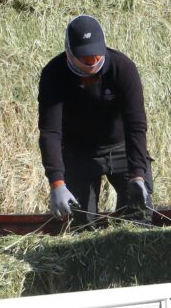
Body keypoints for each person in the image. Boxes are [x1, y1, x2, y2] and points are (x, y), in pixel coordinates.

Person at [37, 15, 153, 227]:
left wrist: (137, 174)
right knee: (81, 224)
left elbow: (136, 125)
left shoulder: (123, 68)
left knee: (138, 218)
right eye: (85, 59)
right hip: (80, 152)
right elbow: (50, 132)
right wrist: (56, 183)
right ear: (69, 51)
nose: (92, 63)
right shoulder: (54, 74)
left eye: (96, 56)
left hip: (122, 148)